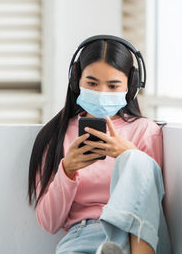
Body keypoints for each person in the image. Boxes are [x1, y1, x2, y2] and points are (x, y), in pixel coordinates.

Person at [27, 35, 172, 254]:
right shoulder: (56, 135)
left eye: (113, 86)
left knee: (138, 160)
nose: (102, 93)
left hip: (134, 238)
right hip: (81, 237)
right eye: (92, 83)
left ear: (130, 87)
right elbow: (49, 223)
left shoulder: (145, 131)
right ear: (76, 80)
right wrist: (67, 170)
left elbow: (151, 199)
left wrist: (128, 154)